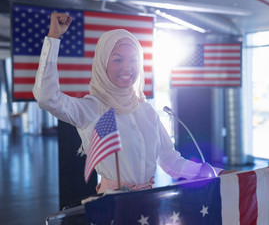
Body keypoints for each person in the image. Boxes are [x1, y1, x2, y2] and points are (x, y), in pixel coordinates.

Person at [33, 12, 235, 194]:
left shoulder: (146, 110)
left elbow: (172, 162)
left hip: (147, 205)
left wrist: (218, 173)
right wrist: (53, 39)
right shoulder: (91, 108)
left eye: (134, 60)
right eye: (118, 60)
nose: (127, 68)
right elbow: (46, 97)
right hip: (113, 207)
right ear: (103, 64)